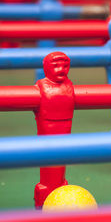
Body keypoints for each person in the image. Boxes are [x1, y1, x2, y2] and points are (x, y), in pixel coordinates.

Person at [33, 52, 75, 209]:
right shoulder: (42, 86)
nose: (61, 70)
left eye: (65, 66)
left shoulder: (68, 86)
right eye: (56, 66)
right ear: (46, 68)